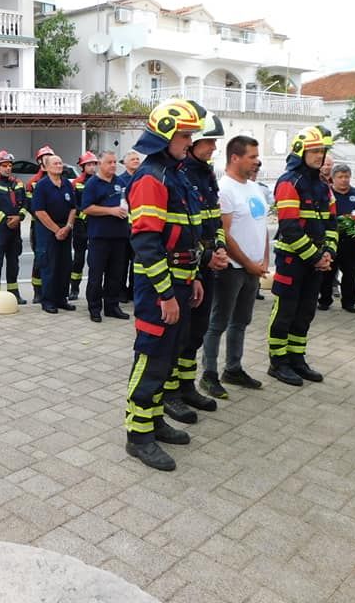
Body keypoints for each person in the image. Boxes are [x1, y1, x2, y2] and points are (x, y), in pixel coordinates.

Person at [124, 99, 205, 472]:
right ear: (166, 135)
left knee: (167, 358)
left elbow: (186, 234)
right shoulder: (151, 178)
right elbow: (146, 243)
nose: (190, 142)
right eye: (185, 135)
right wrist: (167, 294)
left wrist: (193, 277)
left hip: (180, 281)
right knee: (151, 358)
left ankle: (154, 420)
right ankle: (138, 436)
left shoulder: (175, 173)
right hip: (160, 287)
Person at [163, 113, 229, 422]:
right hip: (188, 264)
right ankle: (170, 393)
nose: (213, 147)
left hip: (204, 265)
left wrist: (219, 248)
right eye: (209, 142)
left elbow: (214, 220)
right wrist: (207, 255)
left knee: (197, 331)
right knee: (178, 334)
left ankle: (187, 385)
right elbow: (181, 230)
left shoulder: (206, 173)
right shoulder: (180, 175)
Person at [199, 136, 267, 399]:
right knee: (218, 322)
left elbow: (261, 226)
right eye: (252, 156)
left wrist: (264, 259)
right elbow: (224, 234)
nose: (257, 161)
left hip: (252, 269)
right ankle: (209, 374)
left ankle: (233, 368)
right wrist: (248, 263)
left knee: (241, 321)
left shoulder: (254, 187)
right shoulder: (224, 189)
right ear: (235, 158)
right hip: (232, 268)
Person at [267, 126, 336, 385]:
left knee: (305, 312)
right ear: (301, 151)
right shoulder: (288, 182)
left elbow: (331, 224)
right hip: (291, 260)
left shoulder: (323, 186)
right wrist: (316, 257)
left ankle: (297, 358)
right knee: (285, 311)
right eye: (314, 150)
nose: (319, 155)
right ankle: (278, 362)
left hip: (315, 261)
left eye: (322, 151)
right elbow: (290, 228)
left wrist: (328, 252)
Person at [80, 150, 131, 322]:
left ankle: (112, 306)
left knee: (115, 275)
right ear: (100, 164)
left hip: (119, 236)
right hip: (99, 237)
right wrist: (111, 211)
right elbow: (87, 208)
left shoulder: (120, 182)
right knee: (96, 275)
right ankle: (94, 308)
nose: (113, 165)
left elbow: (127, 201)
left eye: (115, 162)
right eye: (109, 162)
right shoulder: (92, 184)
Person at [317, 163, 355, 313]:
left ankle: (349, 302)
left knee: (351, 273)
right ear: (333, 178)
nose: (344, 180)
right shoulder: (326, 194)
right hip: (331, 241)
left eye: (347, 176)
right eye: (340, 177)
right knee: (327, 273)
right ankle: (325, 300)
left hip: (352, 241)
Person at [32, 155, 77, 314]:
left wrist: (68, 227)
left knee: (65, 265)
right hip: (48, 231)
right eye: (55, 163)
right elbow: (39, 211)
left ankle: (61, 299)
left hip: (66, 229)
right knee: (49, 266)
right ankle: (48, 301)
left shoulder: (66, 184)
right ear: (46, 167)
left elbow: (73, 208)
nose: (59, 165)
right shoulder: (42, 186)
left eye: (60, 163)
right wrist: (57, 230)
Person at [0, 150, 28, 304]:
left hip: (15, 229)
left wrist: (19, 217)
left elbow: (25, 203)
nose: (8, 168)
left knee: (13, 263)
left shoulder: (18, 183)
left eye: (9, 165)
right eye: (4, 165)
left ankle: (14, 294)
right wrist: (5, 219)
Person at [69, 151, 98, 300]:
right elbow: (74, 204)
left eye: (94, 164)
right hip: (80, 226)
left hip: (96, 226)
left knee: (95, 260)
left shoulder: (99, 181)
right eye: (89, 164)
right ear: (82, 166)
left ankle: (94, 290)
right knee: (78, 259)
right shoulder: (76, 183)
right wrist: (85, 214)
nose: (92, 167)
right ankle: (74, 289)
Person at [27, 145, 55, 304]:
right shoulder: (33, 183)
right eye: (45, 158)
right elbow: (31, 206)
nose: (48, 160)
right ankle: (38, 291)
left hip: (56, 226)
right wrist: (45, 218)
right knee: (40, 258)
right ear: (39, 161)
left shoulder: (58, 179)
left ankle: (52, 290)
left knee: (55, 258)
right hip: (39, 227)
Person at [119, 150, 142, 303]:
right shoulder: (120, 180)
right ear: (125, 163)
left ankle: (134, 290)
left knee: (137, 262)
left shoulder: (143, 178)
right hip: (123, 227)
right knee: (122, 261)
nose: (136, 161)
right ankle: (121, 291)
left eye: (137, 159)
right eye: (132, 159)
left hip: (139, 226)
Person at [250, 161, 274, 300]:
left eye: (256, 171)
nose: (253, 174)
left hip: (258, 229)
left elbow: (272, 203)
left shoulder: (261, 189)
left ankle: (256, 288)